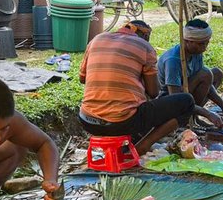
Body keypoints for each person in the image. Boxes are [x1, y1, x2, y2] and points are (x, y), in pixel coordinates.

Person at [78, 20, 195, 155]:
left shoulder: (96, 40)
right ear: (145, 36)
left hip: (87, 121)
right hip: (122, 122)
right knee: (187, 102)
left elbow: (83, 79)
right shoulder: (145, 47)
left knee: (134, 105)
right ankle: (143, 146)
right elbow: (153, 92)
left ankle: (124, 142)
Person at [158, 19, 223, 128]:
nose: (204, 48)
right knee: (205, 73)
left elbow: (207, 85)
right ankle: (185, 120)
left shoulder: (196, 52)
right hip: (168, 103)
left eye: (206, 43)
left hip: (186, 94)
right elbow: (175, 99)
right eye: (201, 44)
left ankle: (194, 118)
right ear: (187, 41)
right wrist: (208, 114)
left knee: (217, 73)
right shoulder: (173, 60)